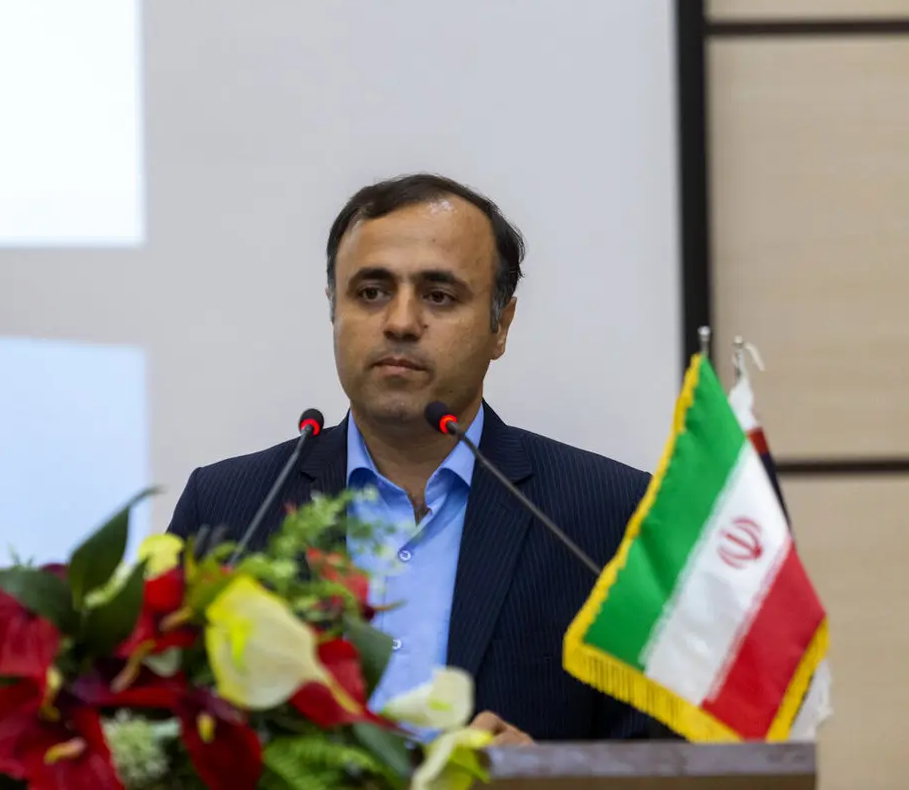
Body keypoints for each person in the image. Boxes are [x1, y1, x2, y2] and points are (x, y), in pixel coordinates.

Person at [167, 173, 668, 743]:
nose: (401, 322)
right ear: (333, 309)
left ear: (500, 326)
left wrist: (555, 777)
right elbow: (157, 731)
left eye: (438, 296)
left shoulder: (605, 515)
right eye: (371, 293)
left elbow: (661, 753)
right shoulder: (230, 507)